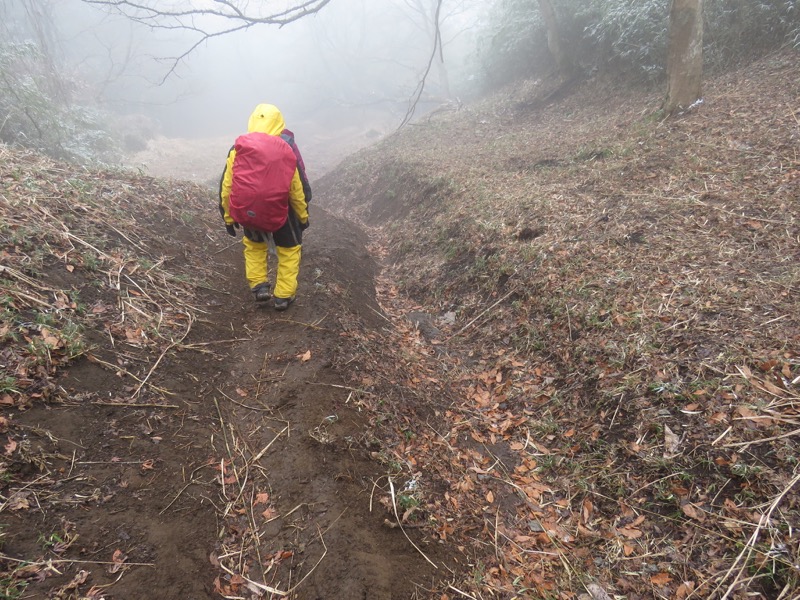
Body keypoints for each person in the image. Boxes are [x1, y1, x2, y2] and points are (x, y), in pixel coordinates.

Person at [218, 104, 310, 310]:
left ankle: (259, 286)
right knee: (289, 250)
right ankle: (283, 296)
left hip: (249, 209)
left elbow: (227, 185)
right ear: (278, 123)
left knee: (254, 247)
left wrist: (228, 216)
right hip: (282, 212)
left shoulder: (238, 149)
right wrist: (303, 216)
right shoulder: (285, 149)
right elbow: (296, 189)